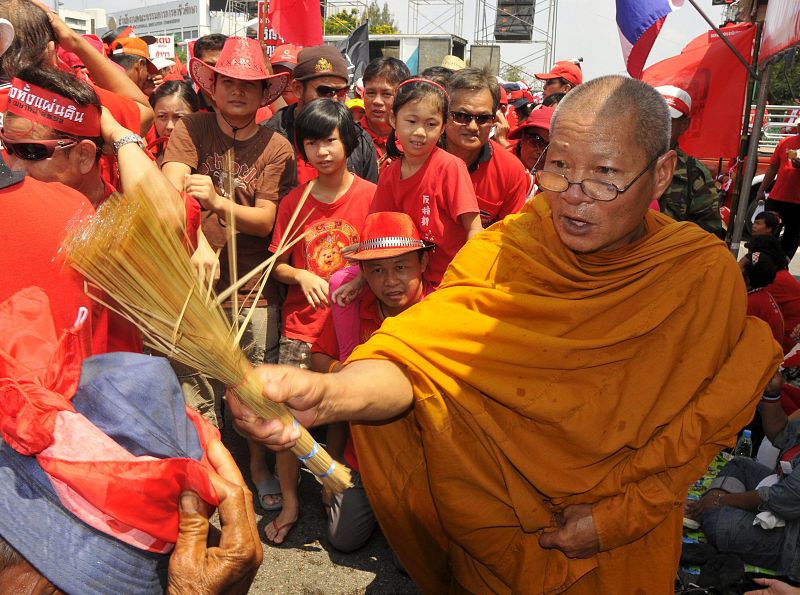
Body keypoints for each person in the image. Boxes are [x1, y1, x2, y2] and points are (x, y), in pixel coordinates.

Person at [233, 75, 782, 593]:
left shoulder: (697, 275)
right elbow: (420, 359)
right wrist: (328, 396)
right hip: (499, 534)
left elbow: (701, 428)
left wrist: (619, 517)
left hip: (625, 541)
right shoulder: (508, 251)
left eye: (605, 175)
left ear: (662, 174)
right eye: (559, 167)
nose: (574, 195)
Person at [162, 36, 294, 430]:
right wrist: (198, 240)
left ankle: (257, 472)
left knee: (253, 397)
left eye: (249, 84)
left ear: (262, 92)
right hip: (193, 290)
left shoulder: (278, 146)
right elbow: (171, 189)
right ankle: (212, 479)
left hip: (252, 294)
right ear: (213, 88)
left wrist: (217, 203)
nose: (238, 91)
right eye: (228, 82)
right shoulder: (191, 127)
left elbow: (266, 220)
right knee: (196, 398)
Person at [265, 98, 375, 544]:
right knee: (289, 421)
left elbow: (383, 260)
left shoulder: (371, 195)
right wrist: (301, 273)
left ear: (346, 140)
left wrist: (362, 281)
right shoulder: (295, 199)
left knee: (341, 418)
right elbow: (276, 265)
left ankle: (336, 491)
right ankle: (291, 502)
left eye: (329, 140)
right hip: (301, 328)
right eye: (311, 143)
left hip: (350, 329)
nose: (322, 151)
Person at [309, 211, 433, 553]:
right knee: (342, 540)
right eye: (377, 270)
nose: (390, 281)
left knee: (416, 558)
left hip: (424, 460)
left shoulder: (440, 308)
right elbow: (317, 356)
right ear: (362, 274)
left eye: (401, 267)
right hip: (363, 456)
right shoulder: (353, 309)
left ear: (423, 262)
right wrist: (348, 379)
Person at [686, 373, 800, 581]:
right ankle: (709, 508)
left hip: (792, 545)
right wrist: (772, 394)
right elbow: (782, 434)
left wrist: (721, 500)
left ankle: (709, 509)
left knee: (721, 526)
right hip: (783, 497)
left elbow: (782, 498)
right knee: (740, 464)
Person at [369, 77, 482, 286]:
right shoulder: (389, 173)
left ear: (442, 128)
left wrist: (467, 275)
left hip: (449, 280)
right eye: (411, 122)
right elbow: (380, 228)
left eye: (431, 124)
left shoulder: (451, 167)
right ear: (393, 120)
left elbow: (474, 228)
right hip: (405, 280)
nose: (420, 132)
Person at [264, 45, 378, 186]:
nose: (334, 99)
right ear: (298, 89)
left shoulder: (359, 139)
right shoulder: (268, 137)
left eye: (341, 92)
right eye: (325, 91)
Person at [444, 68, 528, 227]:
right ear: (445, 113)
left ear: (494, 119)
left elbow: (508, 236)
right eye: (462, 116)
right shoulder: (418, 158)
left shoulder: (511, 171)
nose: (473, 126)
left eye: (483, 118)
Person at [656, 85, 723, 237]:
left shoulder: (694, 174)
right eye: (653, 117)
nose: (658, 126)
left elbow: (708, 234)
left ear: (684, 125)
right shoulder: (621, 161)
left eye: (668, 120)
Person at [757, 116, 800, 259]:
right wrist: (761, 189)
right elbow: (772, 167)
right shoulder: (785, 142)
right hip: (777, 198)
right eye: (799, 125)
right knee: (766, 235)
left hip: (798, 204)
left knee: (791, 239)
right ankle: (761, 263)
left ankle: (781, 268)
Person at [360, 56, 410, 169]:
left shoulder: (413, 142)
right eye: (371, 93)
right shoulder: (349, 138)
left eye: (386, 94)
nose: (377, 101)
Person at [147, 79, 199, 164]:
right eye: (162, 116)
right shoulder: (147, 159)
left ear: (196, 116)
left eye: (178, 117)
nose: (169, 126)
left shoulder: (208, 159)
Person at [508, 105, 555, 195]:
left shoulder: (559, 182)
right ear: (522, 137)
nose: (541, 151)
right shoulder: (501, 167)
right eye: (536, 140)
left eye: (550, 146)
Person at [191, 33, 227, 112]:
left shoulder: (252, 109)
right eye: (209, 66)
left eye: (223, 66)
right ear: (196, 68)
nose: (217, 73)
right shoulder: (187, 111)